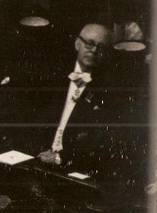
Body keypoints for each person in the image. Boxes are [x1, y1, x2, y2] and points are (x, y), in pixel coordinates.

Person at [32, 23, 123, 172]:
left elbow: (99, 140)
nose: (94, 50)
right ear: (77, 44)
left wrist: (60, 157)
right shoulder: (52, 76)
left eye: (101, 47)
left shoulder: (109, 90)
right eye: (89, 44)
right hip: (36, 157)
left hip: (72, 167)